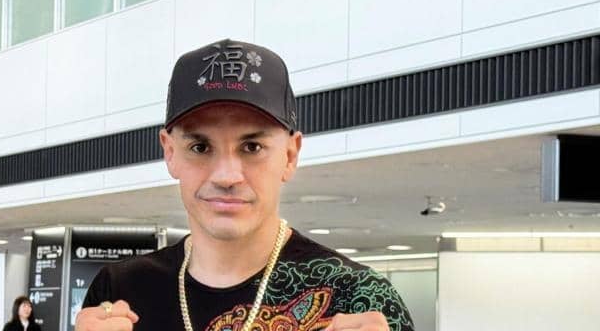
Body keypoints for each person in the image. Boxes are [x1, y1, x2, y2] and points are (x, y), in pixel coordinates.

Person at [76, 40, 415, 331]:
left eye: (252, 147)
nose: (226, 176)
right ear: (170, 152)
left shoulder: (359, 299)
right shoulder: (119, 293)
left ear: (290, 155)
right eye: (200, 147)